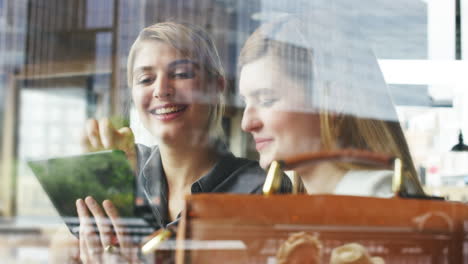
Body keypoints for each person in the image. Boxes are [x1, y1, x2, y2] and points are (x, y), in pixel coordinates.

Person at [51, 21, 290, 264]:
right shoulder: (124, 167)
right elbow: (63, 249)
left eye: (181, 74)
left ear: (216, 86)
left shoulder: (260, 189)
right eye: (145, 79)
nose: (161, 90)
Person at [238, 14, 425, 197]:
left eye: (267, 100)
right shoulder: (308, 202)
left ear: (332, 100)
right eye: (245, 102)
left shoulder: (378, 197)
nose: (246, 124)